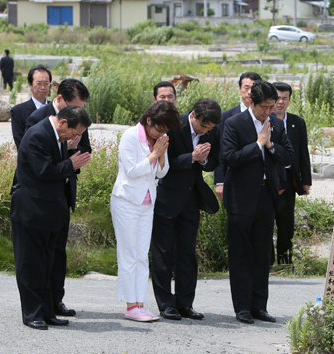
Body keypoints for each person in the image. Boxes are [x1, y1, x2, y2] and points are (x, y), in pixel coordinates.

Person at [10, 105, 92, 330]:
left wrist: (68, 152)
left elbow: (53, 165)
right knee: (31, 265)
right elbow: (43, 171)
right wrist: (70, 164)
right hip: (31, 211)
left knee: (47, 264)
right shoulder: (37, 134)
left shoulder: (57, 135)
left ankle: (47, 312)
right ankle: (32, 314)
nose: (75, 138)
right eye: (75, 133)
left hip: (49, 211)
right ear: (63, 123)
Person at [222, 80, 293, 324]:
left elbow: (288, 157)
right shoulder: (233, 124)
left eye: (272, 106)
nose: (268, 112)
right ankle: (242, 307)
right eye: (264, 107)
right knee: (241, 252)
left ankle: (259, 306)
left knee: (263, 253)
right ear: (251, 102)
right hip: (241, 197)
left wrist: (271, 145)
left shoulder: (278, 125)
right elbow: (230, 158)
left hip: (267, 196)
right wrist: (258, 144)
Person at [150, 98, 222, 321]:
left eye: (209, 128)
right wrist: (191, 157)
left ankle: (185, 303)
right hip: (166, 195)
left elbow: (214, 161)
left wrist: (203, 160)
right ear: (193, 116)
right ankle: (166, 304)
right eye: (202, 126)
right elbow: (164, 161)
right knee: (162, 252)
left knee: (187, 253)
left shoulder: (213, 130)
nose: (206, 131)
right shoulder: (173, 125)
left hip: (191, 198)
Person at [110, 101, 180, 322]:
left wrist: (161, 154)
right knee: (129, 254)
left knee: (141, 255)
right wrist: (154, 154)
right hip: (127, 202)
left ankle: (140, 303)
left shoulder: (159, 139)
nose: (162, 133)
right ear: (149, 120)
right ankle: (131, 306)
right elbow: (131, 171)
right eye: (160, 129)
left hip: (147, 203)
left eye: (166, 130)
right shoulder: (131, 136)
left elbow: (162, 172)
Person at [271, 82, 311, 266]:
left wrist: (306, 180)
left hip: (289, 178)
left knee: (286, 221)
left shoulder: (297, 122)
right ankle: (268, 261)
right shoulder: (264, 119)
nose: (280, 102)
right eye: (277, 97)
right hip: (269, 177)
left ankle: (285, 261)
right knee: (267, 219)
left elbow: (303, 152)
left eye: (285, 98)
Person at [214, 71, 262, 200]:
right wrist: (220, 181)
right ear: (239, 89)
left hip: (263, 181)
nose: (249, 92)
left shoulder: (269, 117)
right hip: (235, 179)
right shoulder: (226, 117)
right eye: (246, 88)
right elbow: (220, 150)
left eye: (254, 88)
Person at [11, 65, 52, 149]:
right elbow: (21, 144)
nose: (43, 87)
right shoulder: (18, 111)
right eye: (39, 83)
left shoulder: (57, 109)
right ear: (30, 84)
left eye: (46, 83)